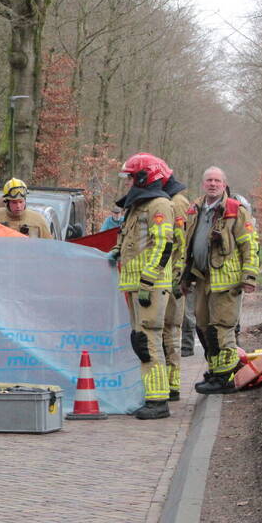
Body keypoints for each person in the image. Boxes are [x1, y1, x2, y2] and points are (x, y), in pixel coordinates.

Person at [182, 166, 261, 394]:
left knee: (223, 329)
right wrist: (184, 277)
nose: (213, 184)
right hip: (202, 278)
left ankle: (226, 378)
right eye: (209, 181)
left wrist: (249, 276)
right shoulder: (195, 209)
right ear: (203, 184)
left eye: (217, 181)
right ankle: (215, 372)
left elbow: (249, 245)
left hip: (227, 281)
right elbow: (187, 244)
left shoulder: (235, 210)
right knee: (204, 327)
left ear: (224, 184)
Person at [108, 153, 175, 419]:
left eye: (132, 177)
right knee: (140, 341)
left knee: (149, 340)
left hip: (150, 285)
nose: (129, 183)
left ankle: (158, 401)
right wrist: (116, 250)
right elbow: (130, 239)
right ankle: (151, 397)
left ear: (146, 177)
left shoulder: (159, 205)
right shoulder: (137, 206)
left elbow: (163, 245)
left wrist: (148, 279)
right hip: (135, 284)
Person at [161, 171, 190, 401]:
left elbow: (181, 242)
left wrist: (177, 276)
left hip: (171, 279)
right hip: (167, 277)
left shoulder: (176, 203)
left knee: (170, 331)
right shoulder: (171, 201)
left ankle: (172, 385)